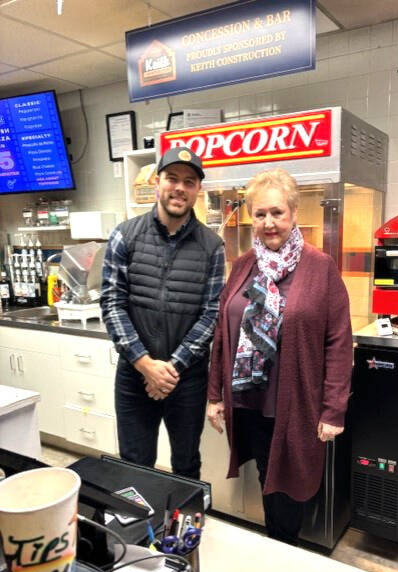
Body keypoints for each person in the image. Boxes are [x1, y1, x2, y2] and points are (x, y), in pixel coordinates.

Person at [206, 168, 352, 545]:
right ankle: (276, 548)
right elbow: (222, 332)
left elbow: (338, 341)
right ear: (250, 217)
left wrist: (333, 410)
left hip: (294, 404)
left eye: (277, 213)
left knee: (288, 487)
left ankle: (286, 554)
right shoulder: (242, 265)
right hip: (248, 400)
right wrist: (215, 395)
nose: (268, 223)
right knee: (267, 479)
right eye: (260, 214)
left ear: (293, 214)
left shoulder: (320, 267)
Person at [101, 146, 225, 479]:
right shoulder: (124, 236)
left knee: (186, 464)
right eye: (172, 178)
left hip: (185, 379)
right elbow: (112, 303)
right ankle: (142, 530)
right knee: (135, 464)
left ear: (198, 190)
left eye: (189, 181)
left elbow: (211, 313)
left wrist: (170, 369)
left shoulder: (212, 247)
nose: (179, 188)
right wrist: (144, 364)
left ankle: (186, 530)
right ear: (158, 181)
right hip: (133, 375)